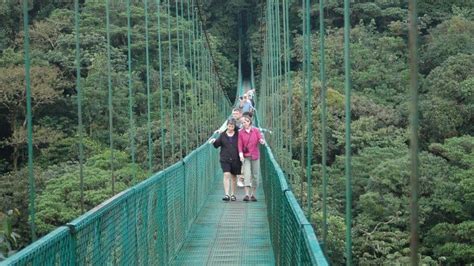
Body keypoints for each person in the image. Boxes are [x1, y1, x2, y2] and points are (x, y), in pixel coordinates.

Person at [209, 118, 241, 201]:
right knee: (226, 174)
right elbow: (217, 145)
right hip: (225, 158)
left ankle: (233, 195)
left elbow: (239, 129)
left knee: (234, 177)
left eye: (232, 126)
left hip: (236, 159)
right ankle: (227, 194)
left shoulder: (238, 134)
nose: (230, 128)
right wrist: (214, 141)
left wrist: (235, 124)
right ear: (227, 126)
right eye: (229, 126)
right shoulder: (223, 135)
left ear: (234, 126)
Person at [238, 115, 265, 202]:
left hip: (255, 155)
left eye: (245, 122)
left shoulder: (256, 130)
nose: (243, 124)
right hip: (246, 156)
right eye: (242, 123)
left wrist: (261, 141)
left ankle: (253, 194)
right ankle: (246, 195)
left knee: (255, 176)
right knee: (247, 174)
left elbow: (260, 138)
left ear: (249, 122)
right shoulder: (240, 132)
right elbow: (239, 144)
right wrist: (241, 154)